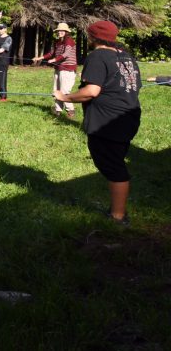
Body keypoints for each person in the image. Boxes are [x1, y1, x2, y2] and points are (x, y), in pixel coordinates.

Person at [54, 21, 141, 226]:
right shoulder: (127, 57)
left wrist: (64, 97)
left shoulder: (97, 56)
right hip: (128, 117)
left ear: (93, 37)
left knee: (113, 167)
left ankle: (118, 217)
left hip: (108, 121)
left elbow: (91, 91)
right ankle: (117, 211)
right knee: (115, 162)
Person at [33, 22, 78, 117]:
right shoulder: (57, 42)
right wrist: (39, 58)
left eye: (62, 31)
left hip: (67, 69)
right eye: (58, 31)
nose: (59, 32)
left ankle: (71, 110)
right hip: (58, 68)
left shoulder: (69, 41)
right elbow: (51, 53)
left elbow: (66, 54)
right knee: (56, 90)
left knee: (64, 90)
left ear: (66, 32)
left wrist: (54, 59)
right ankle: (58, 110)